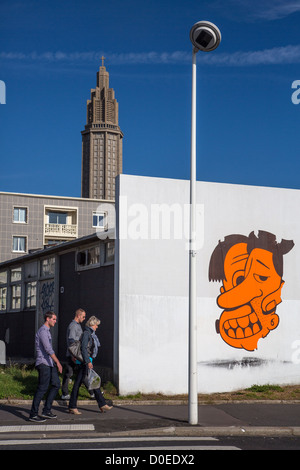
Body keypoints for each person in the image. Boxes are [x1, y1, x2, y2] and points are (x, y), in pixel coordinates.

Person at [68, 316, 112, 414]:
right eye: (96, 325)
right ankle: (72, 406)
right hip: (84, 363)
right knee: (78, 384)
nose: (97, 327)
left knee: (93, 381)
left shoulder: (90, 334)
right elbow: (84, 349)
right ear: (92, 324)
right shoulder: (87, 334)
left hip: (86, 362)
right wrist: (88, 362)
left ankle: (102, 403)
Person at [29, 311, 62, 422]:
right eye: (54, 319)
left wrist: (54, 363)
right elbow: (48, 349)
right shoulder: (43, 331)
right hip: (43, 363)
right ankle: (33, 414)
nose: (55, 321)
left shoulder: (47, 331)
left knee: (56, 384)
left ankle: (46, 410)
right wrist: (58, 362)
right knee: (42, 388)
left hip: (49, 363)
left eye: (56, 319)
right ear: (47, 319)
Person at [61, 308, 88, 400]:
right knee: (69, 373)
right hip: (73, 355)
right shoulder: (73, 326)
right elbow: (71, 340)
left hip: (76, 355)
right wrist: (73, 355)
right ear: (78, 315)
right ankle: (64, 393)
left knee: (82, 373)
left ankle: (93, 391)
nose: (84, 318)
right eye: (83, 316)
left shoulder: (77, 325)